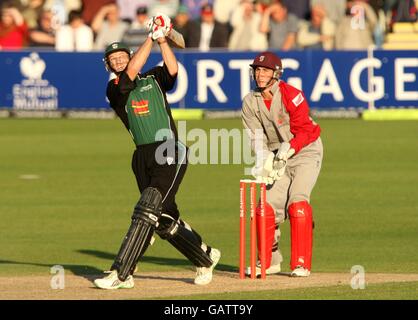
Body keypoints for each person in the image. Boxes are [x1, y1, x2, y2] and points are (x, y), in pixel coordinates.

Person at [93, 14, 221, 290]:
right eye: (112, 59)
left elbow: (172, 70)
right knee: (163, 219)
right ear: (108, 66)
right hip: (141, 157)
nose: (117, 61)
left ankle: (121, 272)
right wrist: (150, 38)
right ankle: (205, 256)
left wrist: (162, 39)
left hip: (168, 150)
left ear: (129, 56)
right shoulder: (115, 89)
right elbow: (128, 75)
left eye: (121, 56)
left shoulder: (152, 78)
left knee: (148, 207)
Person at [241, 51, 323, 277]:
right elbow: (256, 137)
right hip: (278, 155)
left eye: (265, 70)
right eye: (257, 70)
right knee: (264, 209)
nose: (259, 74)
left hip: (306, 151)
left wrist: (290, 148)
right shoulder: (250, 102)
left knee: (297, 205)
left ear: (276, 73)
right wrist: (263, 158)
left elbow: (306, 131)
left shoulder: (291, 94)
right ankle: (269, 261)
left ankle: (301, 263)